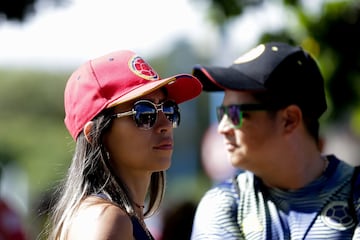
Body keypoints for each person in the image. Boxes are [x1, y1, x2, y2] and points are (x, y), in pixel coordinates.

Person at [190, 42, 360, 239]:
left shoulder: (354, 194)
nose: (222, 128)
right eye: (222, 113)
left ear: (289, 120)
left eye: (235, 113)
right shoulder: (224, 202)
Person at [45, 50, 202, 239]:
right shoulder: (107, 219)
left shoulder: (112, 217)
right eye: (144, 113)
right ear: (95, 135)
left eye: (168, 109)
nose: (165, 124)